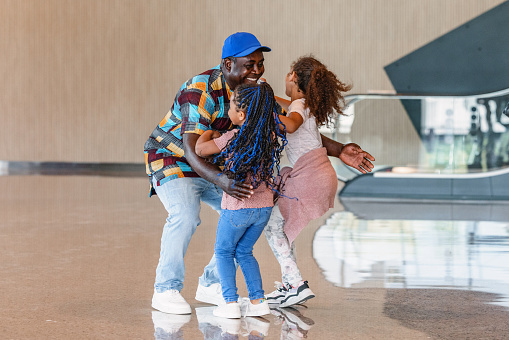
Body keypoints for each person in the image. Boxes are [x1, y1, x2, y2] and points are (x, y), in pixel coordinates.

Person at [144, 32, 272, 315]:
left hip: (214, 162)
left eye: (260, 64)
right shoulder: (199, 89)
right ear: (228, 65)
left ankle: (212, 284)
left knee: (246, 211)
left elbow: (283, 122)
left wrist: (337, 149)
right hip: (172, 157)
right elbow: (191, 151)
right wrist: (221, 180)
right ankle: (165, 289)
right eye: (249, 64)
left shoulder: (255, 91)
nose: (257, 71)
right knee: (186, 215)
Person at [263, 56, 375, 307]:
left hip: (309, 175)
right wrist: (266, 99)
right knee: (279, 226)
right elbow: (281, 106)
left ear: (293, 76)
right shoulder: (303, 105)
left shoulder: (298, 107)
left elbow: (290, 125)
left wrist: (262, 108)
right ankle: (290, 285)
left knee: (271, 226)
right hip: (320, 173)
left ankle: (295, 282)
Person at [195, 82, 287, 319]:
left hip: (237, 209)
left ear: (242, 114)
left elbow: (200, 150)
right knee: (244, 252)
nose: (228, 109)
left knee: (224, 252)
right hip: (263, 209)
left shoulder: (235, 136)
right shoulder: (269, 137)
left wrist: (210, 133)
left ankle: (230, 303)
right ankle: (258, 301)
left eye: (231, 105)